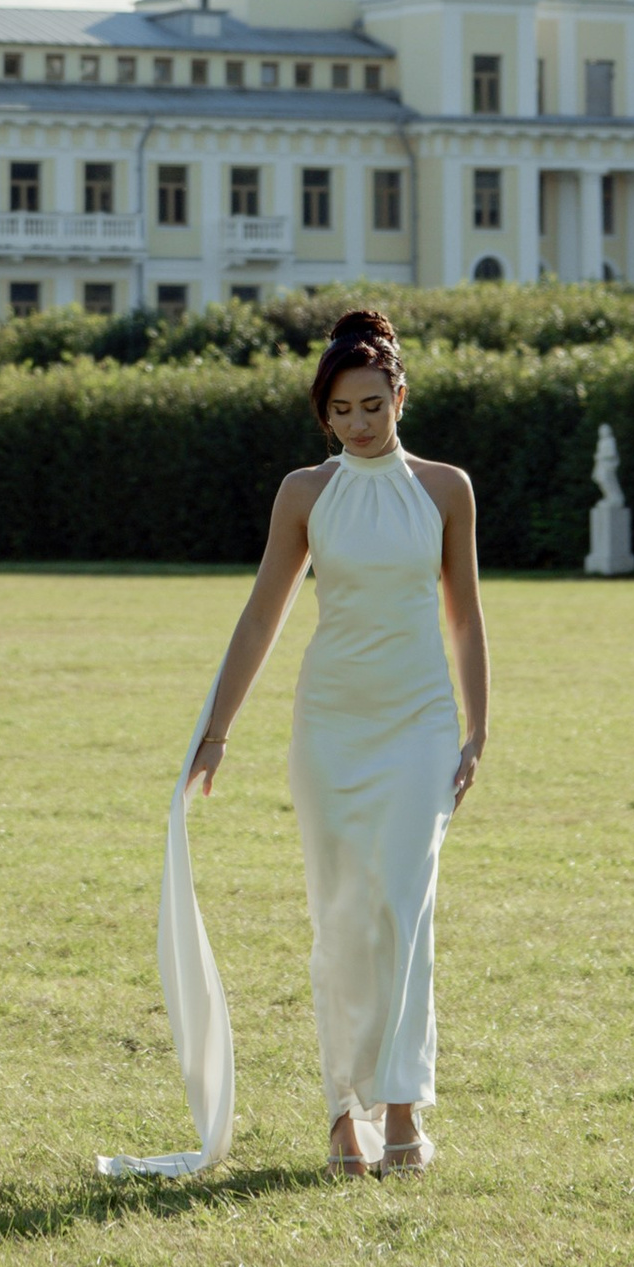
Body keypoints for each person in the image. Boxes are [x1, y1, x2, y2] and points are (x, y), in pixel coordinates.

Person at [190, 304, 489, 1176]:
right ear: (324, 415)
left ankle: (402, 1110)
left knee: (402, 903)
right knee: (342, 917)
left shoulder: (446, 490)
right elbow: (261, 617)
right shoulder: (303, 495)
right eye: (342, 411)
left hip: (421, 726)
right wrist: (217, 730)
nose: (360, 423)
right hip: (330, 727)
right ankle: (341, 1114)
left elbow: (465, 620)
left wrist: (479, 729)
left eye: (374, 405)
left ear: (400, 397)